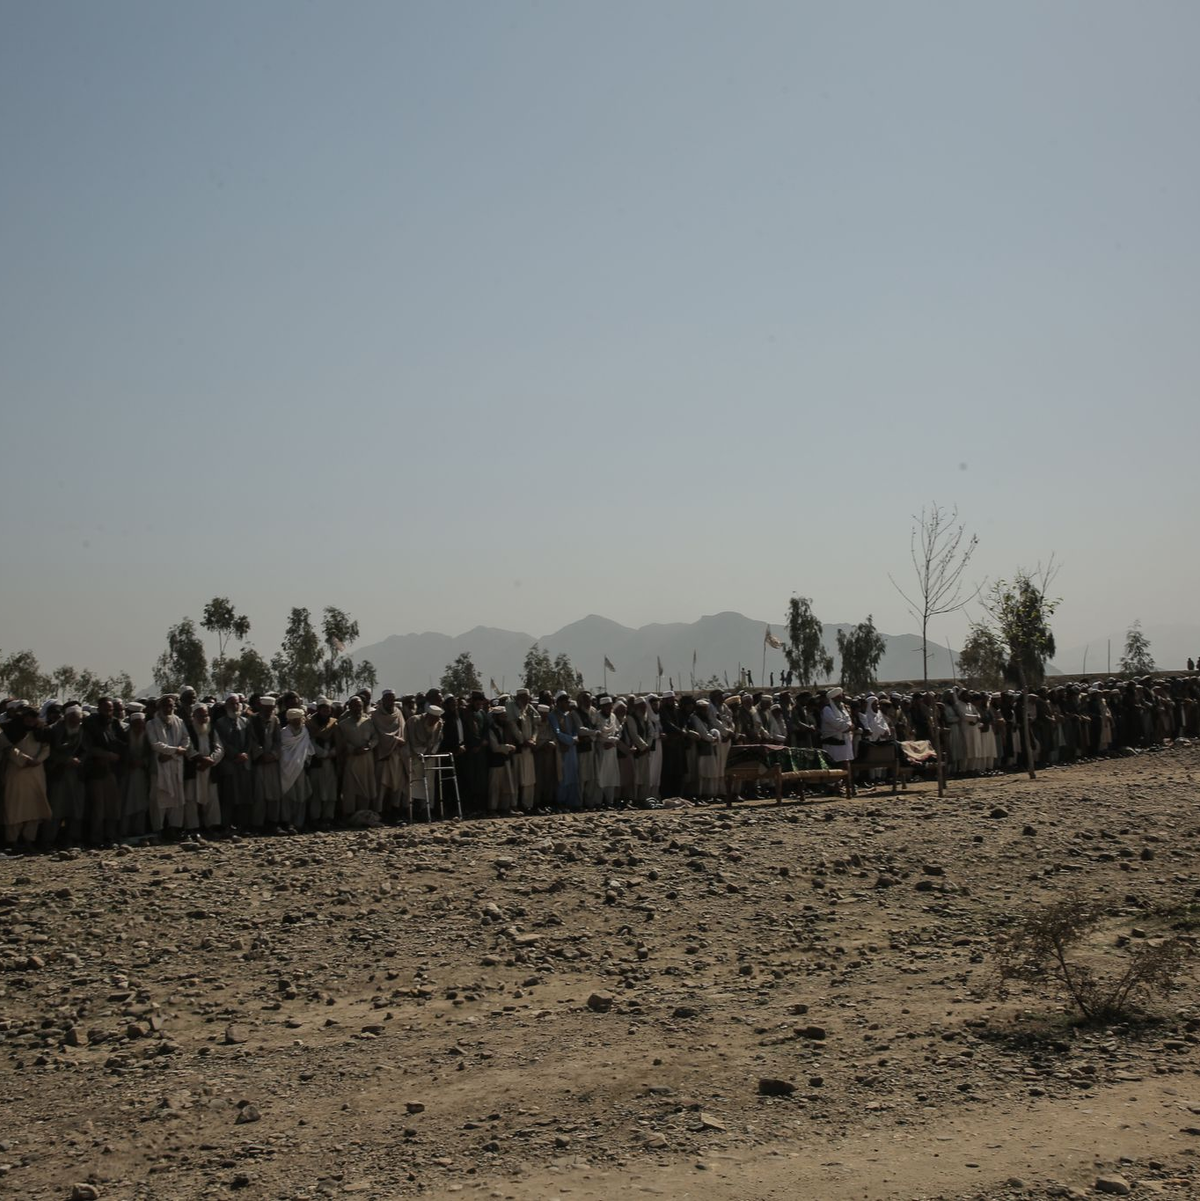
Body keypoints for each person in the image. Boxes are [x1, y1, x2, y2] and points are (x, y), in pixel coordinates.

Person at [4, 704, 50, 847]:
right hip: (16, 772)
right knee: (15, 808)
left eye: (33, 718)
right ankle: (12, 841)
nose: (30, 721)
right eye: (28, 718)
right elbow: (8, 748)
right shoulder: (10, 729)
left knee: (35, 807)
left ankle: (29, 840)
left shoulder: (42, 731)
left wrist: (37, 760)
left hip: (36, 772)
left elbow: (46, 748)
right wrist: (24, 760)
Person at [83, 698, 125, 845]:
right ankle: (95, 838)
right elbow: (88, 747)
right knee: (98, 808)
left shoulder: (113, 724)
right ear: (99, 709)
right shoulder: (90, 724)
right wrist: (105, 755)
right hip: (96, 771)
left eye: (110, 710)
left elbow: (121, 742)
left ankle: (110, 836)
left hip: (112, 770)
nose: (108, 713)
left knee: (113, 807)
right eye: (105, 710)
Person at [147, 695, 190, 834]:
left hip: (175, 764)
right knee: (159, 798)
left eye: (171, 706)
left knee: (177, 797)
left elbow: (186, 739)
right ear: (159, 707)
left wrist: (174, 753)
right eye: (165, 706)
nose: (168, 709)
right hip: (160, 766)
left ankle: (175, 829)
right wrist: (175, 751)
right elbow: (155, 744)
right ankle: (158, 830)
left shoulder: (179, 721)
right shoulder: (152, 724)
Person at [214, 695, 254, 830]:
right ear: (226, 706)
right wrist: (236, 754)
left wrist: (245, 754)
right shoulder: (220, 723)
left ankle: (243, 825)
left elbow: (250, 741)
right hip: (229, 764)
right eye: (231, 704)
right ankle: (226, 826)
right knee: (229, 797)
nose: (235, 706)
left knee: (245, 796)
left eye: (237, 703)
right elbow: (223, 742)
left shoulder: (245, 722)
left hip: (244, 764)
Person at [183, 702, 224, 834]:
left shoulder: (211, 730)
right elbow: (188, 748)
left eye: (205, 715)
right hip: (195, 768)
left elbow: (219, 748)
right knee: (191, 798)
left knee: (212, 798)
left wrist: (210, 760)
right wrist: (200, 759)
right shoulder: (188, 729)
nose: (203, 718)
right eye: (200, 715)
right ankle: (193, 827)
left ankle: (212, 825)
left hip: (209, 768)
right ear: (194, 716)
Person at [337, 695, 378, 814]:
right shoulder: (343, 724)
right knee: (350, 788)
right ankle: (349, 814)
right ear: (349, 707)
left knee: (365, 786)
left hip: (366, 760)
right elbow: (342, 741)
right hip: (352, 759)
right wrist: (353, 749)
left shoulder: (369, 722)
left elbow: (376, 737)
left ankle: (363, 813)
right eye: (354, 706)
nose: (357, 708)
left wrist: (369, 746)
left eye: (359, 706)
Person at [372, 690, 407, 819]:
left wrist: (399, 741)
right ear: (383, 700)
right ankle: (379, 812)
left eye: (392, 699)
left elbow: (403, 731)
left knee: (397, 785)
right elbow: (380, 735)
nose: (390, 702)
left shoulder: (398, 713)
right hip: (383, 756)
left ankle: (395, 811)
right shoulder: (375, 715)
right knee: (382, 785)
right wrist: (394, 740)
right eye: (388, 699)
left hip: (397, 756)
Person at [250, 696, 283, 829]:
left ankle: (273, 822)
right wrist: (260, 754)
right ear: (260, 707)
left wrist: (273, 755)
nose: (269, 711)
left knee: (274, 792)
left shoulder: (275, 720)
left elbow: (278, 740)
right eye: (266, 708)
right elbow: (252, 740)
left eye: (271, 708)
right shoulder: (252, 720)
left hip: (272, 761)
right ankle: (258, 824)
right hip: (258, 762)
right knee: (259, 794)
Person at [278, 708, 313, 830]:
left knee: (301, 795)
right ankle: (287, 821)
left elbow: (307, 748)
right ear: (290, 720)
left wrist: (305, 760)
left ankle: (299, 822)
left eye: (300, 719)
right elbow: (283, 750)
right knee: (288, 796)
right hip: (286, 769)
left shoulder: (304, 731)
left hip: (301, 768)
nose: (298, 722)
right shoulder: (284, 733)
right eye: (295, 720)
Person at [306, 698, 339, 826]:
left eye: (328, 709)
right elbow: (310, 742)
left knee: (330, 792)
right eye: (323, 709)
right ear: (318, 710)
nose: (326, 711)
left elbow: (339, 741)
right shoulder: (309, 724)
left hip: (330, 763)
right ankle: (315, 818)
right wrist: (323, 754)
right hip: (316, 762)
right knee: (316, 792)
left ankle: (328, 818)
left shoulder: (334, 723)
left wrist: (333, 753)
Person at [548, 691, 581, 810]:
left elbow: (574, 730)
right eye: (566, 702)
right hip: (562, 750)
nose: (568, 704)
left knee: (573, 775)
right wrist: (571, 740)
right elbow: (557, 733)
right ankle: (561, 802)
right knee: (563, 776)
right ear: (560, 702)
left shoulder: (569, 715)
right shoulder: (553, 715)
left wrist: (575, 737)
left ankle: (573, 803)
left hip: (572, 749)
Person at [508, 689, 538, 813]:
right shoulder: (513, 711)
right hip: (519, 750)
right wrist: (523, 741)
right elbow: (513, 727)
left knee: (529, 779)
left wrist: (533, 740)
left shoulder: (529, 711)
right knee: (516, 779)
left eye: (528, 698)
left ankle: (527, 805)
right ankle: (514, 804)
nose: (526, 700)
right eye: (524, 698)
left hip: (529, 750)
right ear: (518, 698)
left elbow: (536, 727)